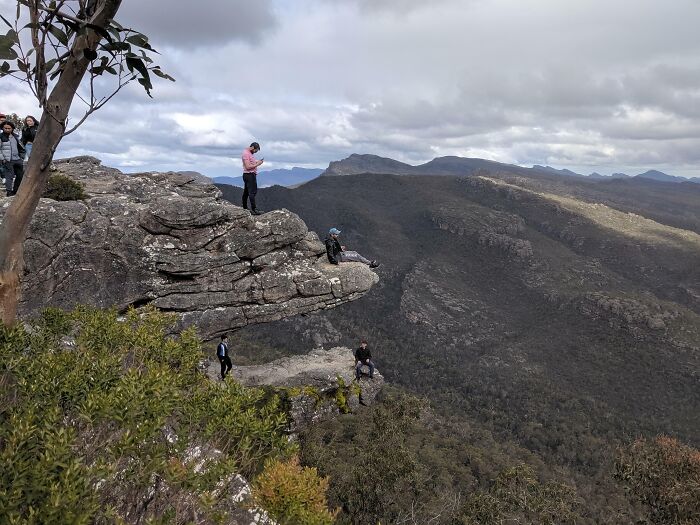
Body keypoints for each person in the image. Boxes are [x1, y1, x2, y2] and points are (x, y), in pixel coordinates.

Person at [0, 120, 25, 197]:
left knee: (20, 176)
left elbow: (21, 147)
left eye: (9, 128)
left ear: (12, 128)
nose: (7, 129)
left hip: (17, 159)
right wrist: (2, 158)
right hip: (8, 160)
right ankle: (9, 192)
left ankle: (16, 190)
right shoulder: (1, 137)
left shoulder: (16, 137)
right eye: (5, 128)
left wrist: (22, 157)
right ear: (3, 128)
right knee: (9, 176)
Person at [241, 141, 264, 215]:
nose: (255, 152)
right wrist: (258, 164)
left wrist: (258, 161)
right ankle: (254, 209)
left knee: (246, 192)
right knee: (252, 192)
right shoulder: (246, 154)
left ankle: (244, 208)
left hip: (248, 175)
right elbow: (248, 167)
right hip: (249, 175)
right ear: (252, 147)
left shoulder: (249, 153)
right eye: (255, 150)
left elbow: (251, 163)